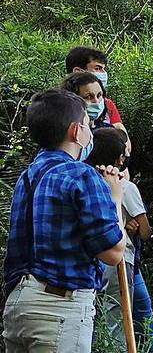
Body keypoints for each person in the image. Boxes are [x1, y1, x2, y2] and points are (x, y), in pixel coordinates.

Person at [3, 89, 126, 353]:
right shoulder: (82, 174)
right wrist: (115, 197)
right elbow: (113, 252)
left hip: (17, 304)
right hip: (59, 307)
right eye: (88, 126)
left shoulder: (28, 175)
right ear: (76, 131)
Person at [86, 128, 153, 352]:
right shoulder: (125, 187)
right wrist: (136, 226)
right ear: (121, 158)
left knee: (101, 313)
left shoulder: (88, 183)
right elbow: (146, 232)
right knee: (118, 318)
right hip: (121, 259)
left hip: (95, 258)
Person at [65, 46, 126, 131]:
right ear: (78, 72)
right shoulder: (58, 107)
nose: (104, 73)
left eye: (104, 69)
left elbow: (124, 139)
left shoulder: (107, 104)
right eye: (97, 68)